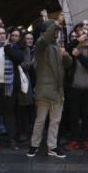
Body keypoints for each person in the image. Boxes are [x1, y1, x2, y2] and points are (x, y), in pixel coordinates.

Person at [27, 19, 72, 158]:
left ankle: (52, 146)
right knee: (40, 119)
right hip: (44, 90)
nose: (56, 34)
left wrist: (65, 55)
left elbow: (68, 64)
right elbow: (45, 38)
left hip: (58, 90)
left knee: (55, 120)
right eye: (55, 31)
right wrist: (57, 23)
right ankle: (34, 145)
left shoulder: (57, 46)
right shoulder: (41, 45)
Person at [65, 34, 88, 150]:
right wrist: (77, 41)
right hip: (74, 88)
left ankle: (86, 139)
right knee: (73, 115)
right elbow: (67, 47)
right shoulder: (74, 48)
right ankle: (74, 140)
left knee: (87, 115)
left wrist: (79, 56)